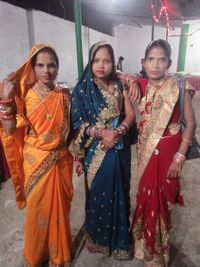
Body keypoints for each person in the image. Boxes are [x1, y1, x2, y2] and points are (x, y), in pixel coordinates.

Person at [0, 44, 73, 267]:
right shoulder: (25, 95)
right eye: (40, 65)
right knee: (37, 213)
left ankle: (58, 255)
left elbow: (71, 130)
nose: (46, 70)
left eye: (51, 65)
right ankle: (35, 256)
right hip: (36, 160)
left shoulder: (64, 96)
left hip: (60, 160)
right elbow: (10, 129)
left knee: (59, 211)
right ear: (33, 67)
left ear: (58, 68)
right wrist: (5, 97)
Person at [131, 39, 196, 267]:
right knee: (145, 197)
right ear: (144, 62)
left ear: (168, 63)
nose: (156, 64)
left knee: (164, 201)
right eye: (151, 59)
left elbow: (191, 124)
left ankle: (159, 255)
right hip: (145, 151)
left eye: (161, 60)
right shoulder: (139, 85)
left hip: (169, 151)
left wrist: (180, 157)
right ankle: (144, 248)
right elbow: (116, 79)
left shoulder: (179, 86)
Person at [69, 41, 135, 259]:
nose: (101, 65)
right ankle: (98, 239)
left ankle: (119, 242)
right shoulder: (82, 89)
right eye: (97, 60)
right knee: (99, 194)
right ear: (90, 61)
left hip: (119, 146)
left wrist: (120, 130)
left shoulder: (119, 85)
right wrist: (102, 134)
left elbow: (130, 115)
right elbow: (77, 123)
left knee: (120, 192)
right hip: (96, 150)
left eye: (106, 60)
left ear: (113, 63)